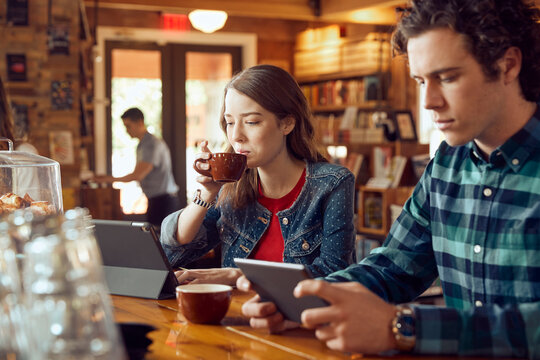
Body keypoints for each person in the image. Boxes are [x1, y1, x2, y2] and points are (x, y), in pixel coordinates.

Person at [238, 0, 540, 358]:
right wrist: (305, 299)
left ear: (508, 65)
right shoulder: (446, 165)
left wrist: (401, 327)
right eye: (419, 80)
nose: (428, 101)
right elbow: (394, 266)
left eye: (447, 77)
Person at [160, 64, 356, 286]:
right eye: (230, 122)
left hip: (305, 317)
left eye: (252, 122)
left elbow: (335, 273)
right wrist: (206, 194)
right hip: (240, 316)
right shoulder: (232, 189)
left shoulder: (332, 183)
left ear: (287, 123)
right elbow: (174, 254)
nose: (236, 136)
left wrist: (239, 276)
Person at [94, 107, 179, 228]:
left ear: (140, 123)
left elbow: (138, 175)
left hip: (163, 202)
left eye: (128, 126)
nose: (126, 130)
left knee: (159, 243)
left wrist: (106, 179)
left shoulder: (150, 144)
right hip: (157, 200)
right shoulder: (143, 144)